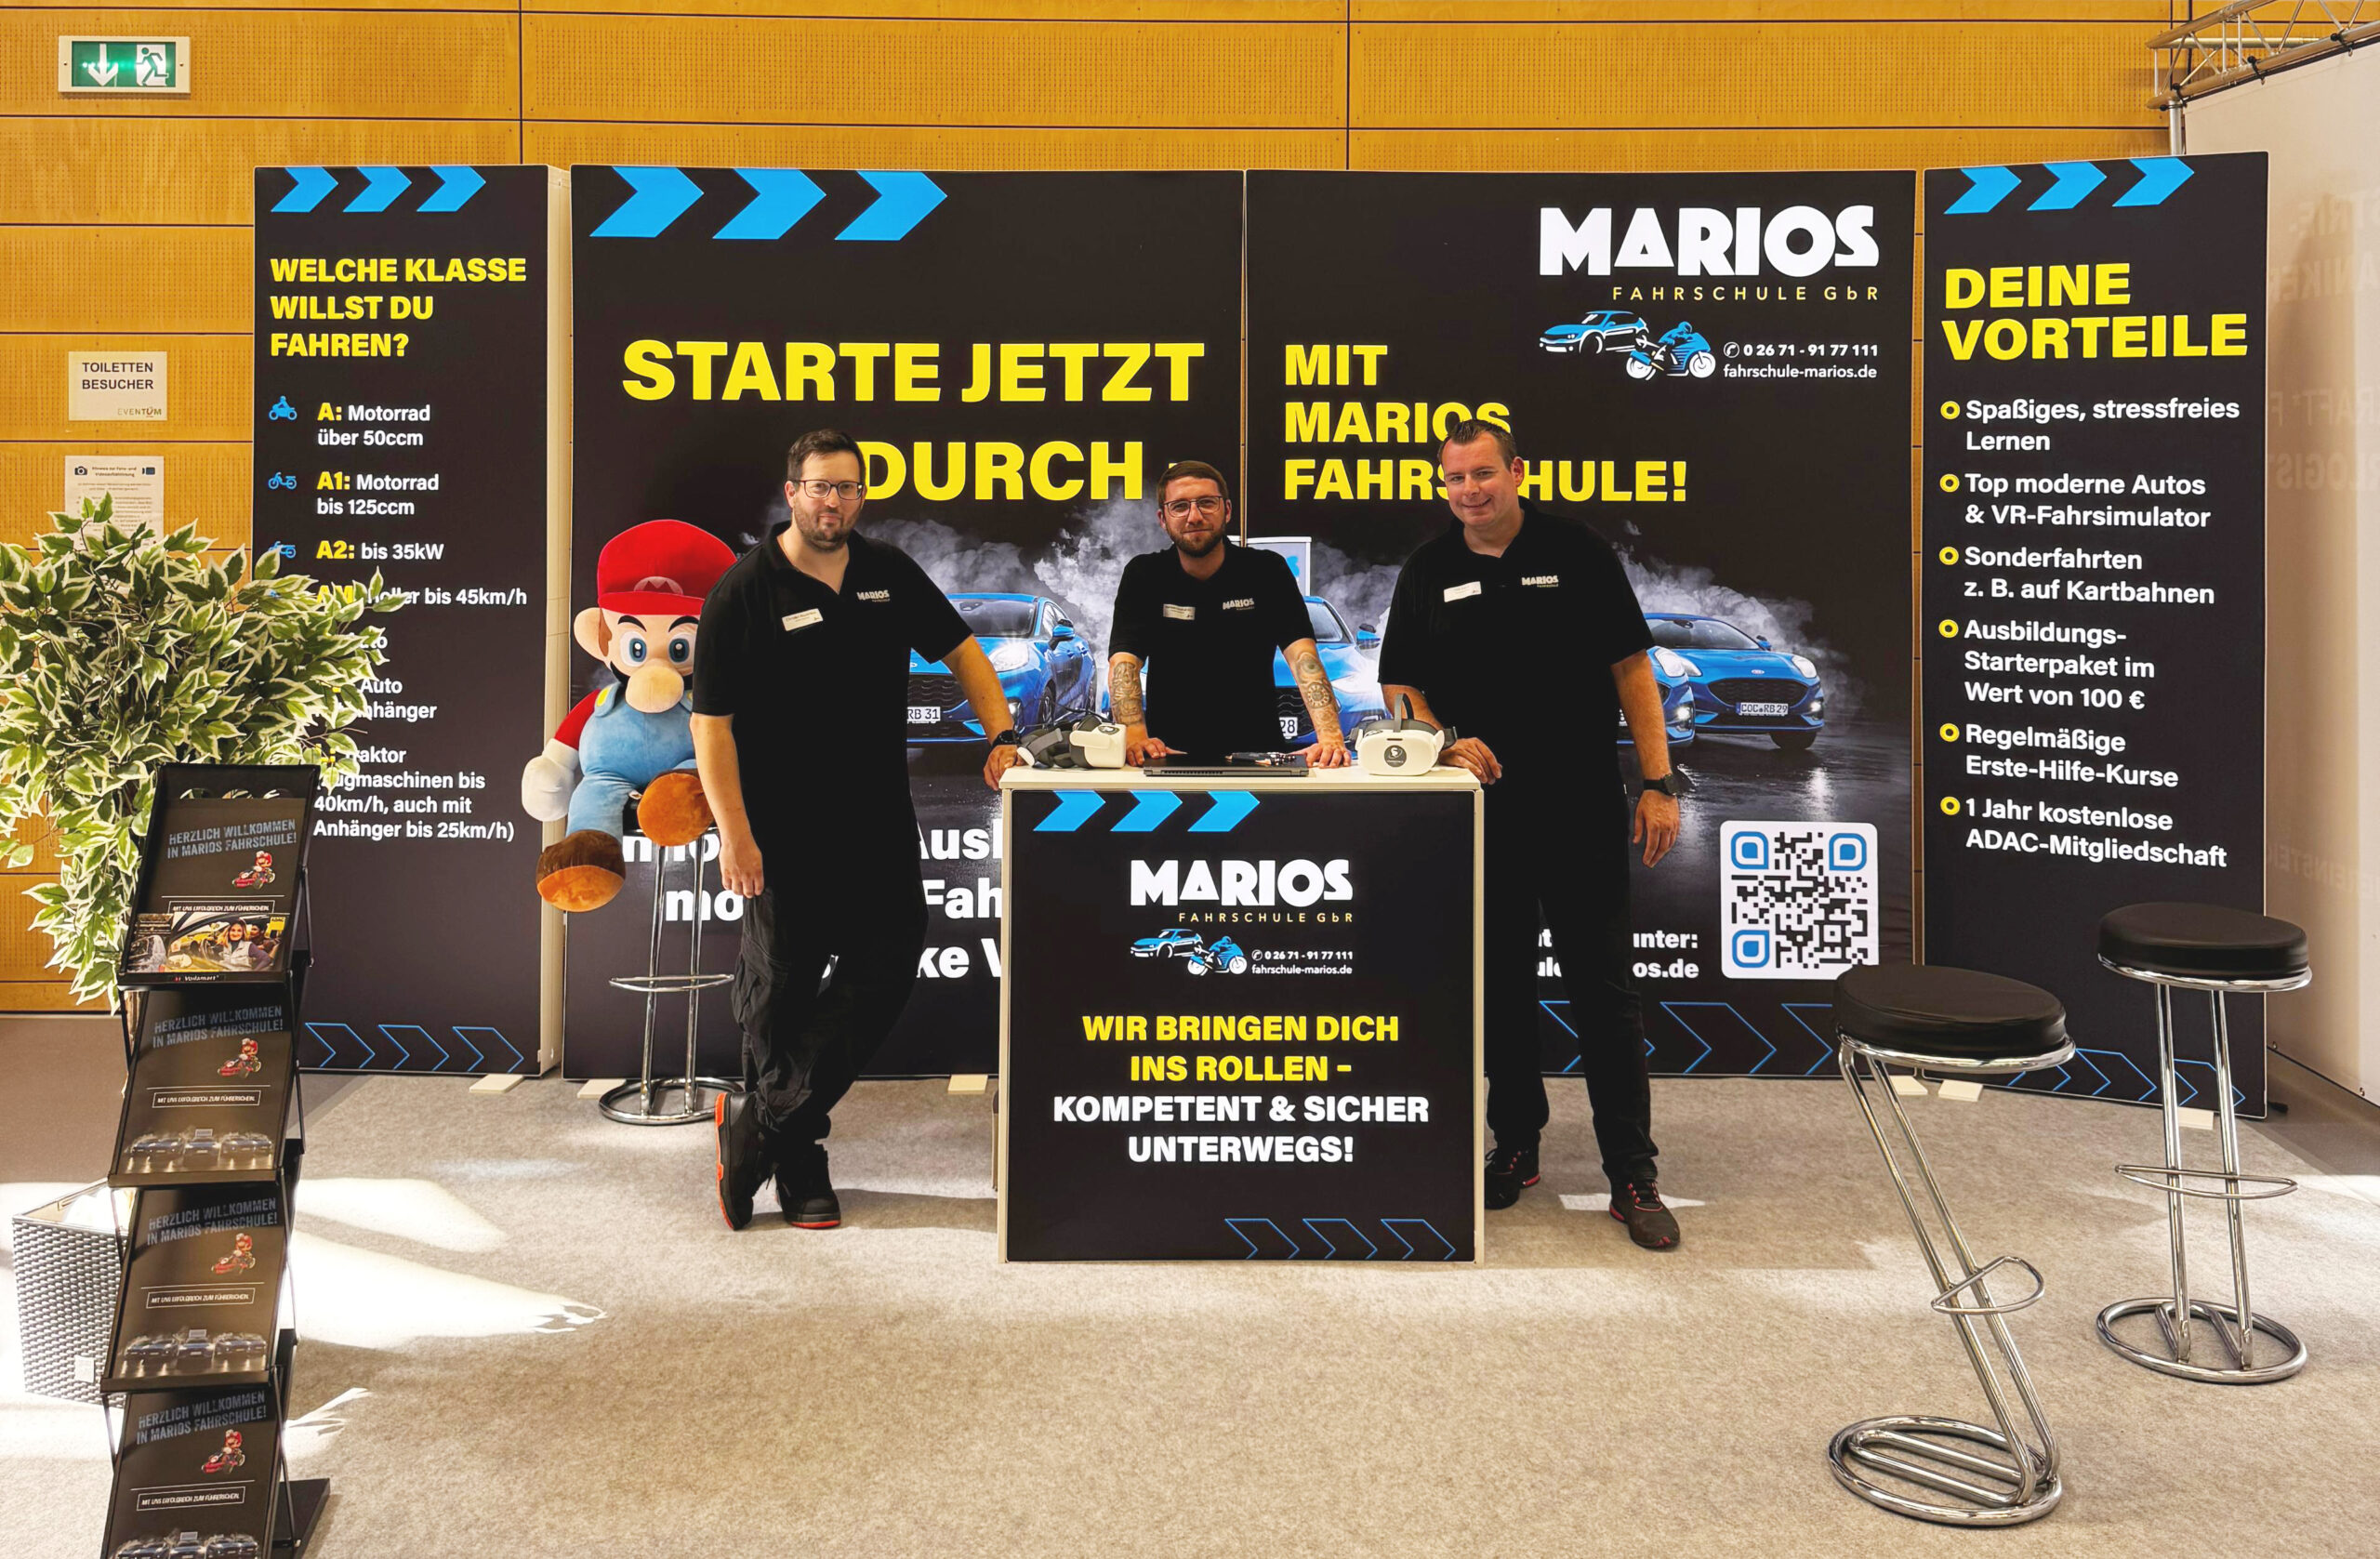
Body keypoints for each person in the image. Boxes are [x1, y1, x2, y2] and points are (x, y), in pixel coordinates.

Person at [693, 428, 1027, 1232]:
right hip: (781, 832)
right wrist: (735, 834)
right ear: (792, 491)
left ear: (861, 497)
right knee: (781, 988)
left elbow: (964, 652)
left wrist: (1001, 733)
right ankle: (798, 1157)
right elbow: (711, 726)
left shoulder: (887, 573)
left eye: (847, 488)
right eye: (819, 487)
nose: (833, 502)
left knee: (887, 964)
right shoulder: (745, 589)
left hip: (878, 820)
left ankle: (761, 1120)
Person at [1376, 420, 1686, 1249]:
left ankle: (1632, 1170)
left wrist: (1658, 783)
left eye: (1482, 473)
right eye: (1454, 478)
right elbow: (1399, 681)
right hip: (1483, 810)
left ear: (1517, 472)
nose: (1469, 490)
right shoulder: (1428, 568)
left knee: (1604, 994)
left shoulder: (1578, 551)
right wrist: (1441, 738)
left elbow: (1632, 668)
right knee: (1501, 989)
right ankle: (1515, 1142)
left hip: (1581, 805)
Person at [1106, 461, 1349, 766]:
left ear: (1228, 510)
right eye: (1180, 506)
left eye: (1207, 503)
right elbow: (1124, 663)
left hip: (1261, 760)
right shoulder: (1144, 574)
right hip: (1168, 759)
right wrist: (1134, 736)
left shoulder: (1267, 570)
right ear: (1163, 519)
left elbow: (1304, 658)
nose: (1195, 516)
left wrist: (1330, 737)